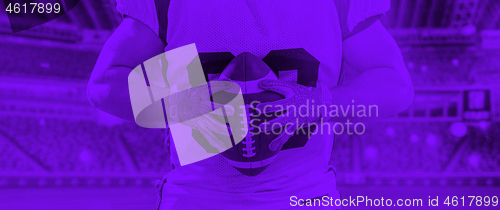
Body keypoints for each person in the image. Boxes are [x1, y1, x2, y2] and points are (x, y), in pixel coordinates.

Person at [87, 0, 414, 209]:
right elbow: (105, 83)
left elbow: (395, 84)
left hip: (305, 194)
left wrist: (322, 102)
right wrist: (183, 104)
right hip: (198, 196)